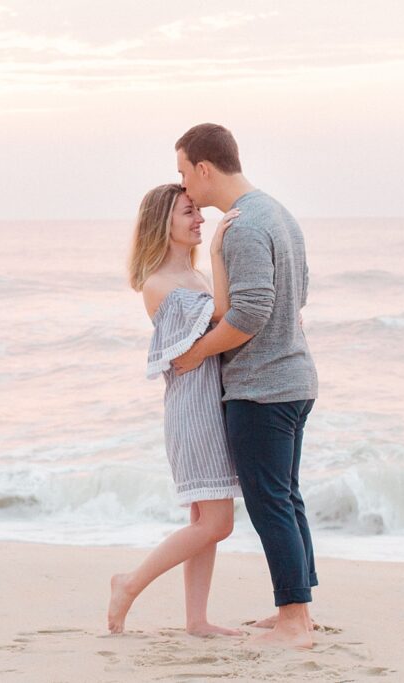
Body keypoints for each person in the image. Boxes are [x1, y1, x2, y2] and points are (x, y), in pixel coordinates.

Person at [170, 123, 319, 649]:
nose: (184, 186)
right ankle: (298, 607)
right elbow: (297, 295)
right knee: (286, 498)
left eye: (185, 173)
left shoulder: (247, 226)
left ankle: (295, 620)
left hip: (264, 387)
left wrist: (194, 354)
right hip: (294, 380)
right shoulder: (276, 212)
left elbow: (251, 312)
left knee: (270, 503)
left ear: (205, 169)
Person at [107, 183, 243, 636]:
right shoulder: (158, 285)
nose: (200, 220)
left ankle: (196, 620)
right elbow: (224, 316)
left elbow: (221, 322)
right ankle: (130, 583)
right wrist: (225, 244)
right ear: (163, 222)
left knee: (203, 521)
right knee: (218, 523)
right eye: (189, 212)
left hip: (212, 405)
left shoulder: (198, 278)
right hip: (192, 411)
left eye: (200, 213)